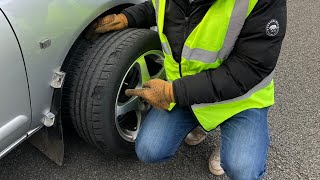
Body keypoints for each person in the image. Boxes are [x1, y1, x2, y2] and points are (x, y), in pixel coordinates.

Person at [90, 0, 287, 179]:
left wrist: (171, 93)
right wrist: (127, 17)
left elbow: (249, 67)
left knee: (242, 168)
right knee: (150, 149)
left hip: (240, 101)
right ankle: (200, 122)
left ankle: (227, 142)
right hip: (187, 92)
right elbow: (160, 7)